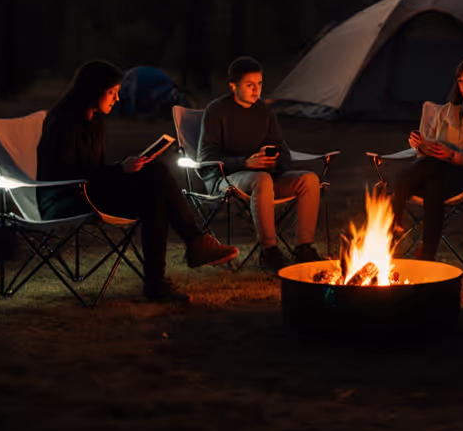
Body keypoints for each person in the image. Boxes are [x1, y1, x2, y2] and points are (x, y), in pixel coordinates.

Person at [37, 60, 238, 303]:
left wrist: (124, 170)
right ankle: (194, 243)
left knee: (153, 195)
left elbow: (94, 171)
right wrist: (121, 169)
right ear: (93, 90)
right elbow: (71, 175)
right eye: (112, 93)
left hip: (89, 192)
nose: (117, 99)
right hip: (64, 199)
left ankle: (158, 284)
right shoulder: (62, 124)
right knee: (155, 173)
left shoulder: (95, 121)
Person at [199, 56, 323, 272]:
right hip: (225, 178)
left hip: (264, 177)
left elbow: (283, 151)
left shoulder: (264, 111)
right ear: (233, 85)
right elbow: (207, 157)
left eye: (259, 84)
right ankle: (269, 251)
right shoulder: (217, 110)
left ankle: (304, 248)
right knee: (262, 179)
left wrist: (273, 162)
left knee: (309, 180)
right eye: (249, 85)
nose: (256, 90)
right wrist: (246, 162)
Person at [390, 56, 463, 261]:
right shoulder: (447, 111)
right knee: (434, 184)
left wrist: (454, 156)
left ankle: (394, 211)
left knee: (416, 176)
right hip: (439, 172)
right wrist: (421, 146)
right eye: (461, 81)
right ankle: (427, 254)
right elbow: (434, 148)